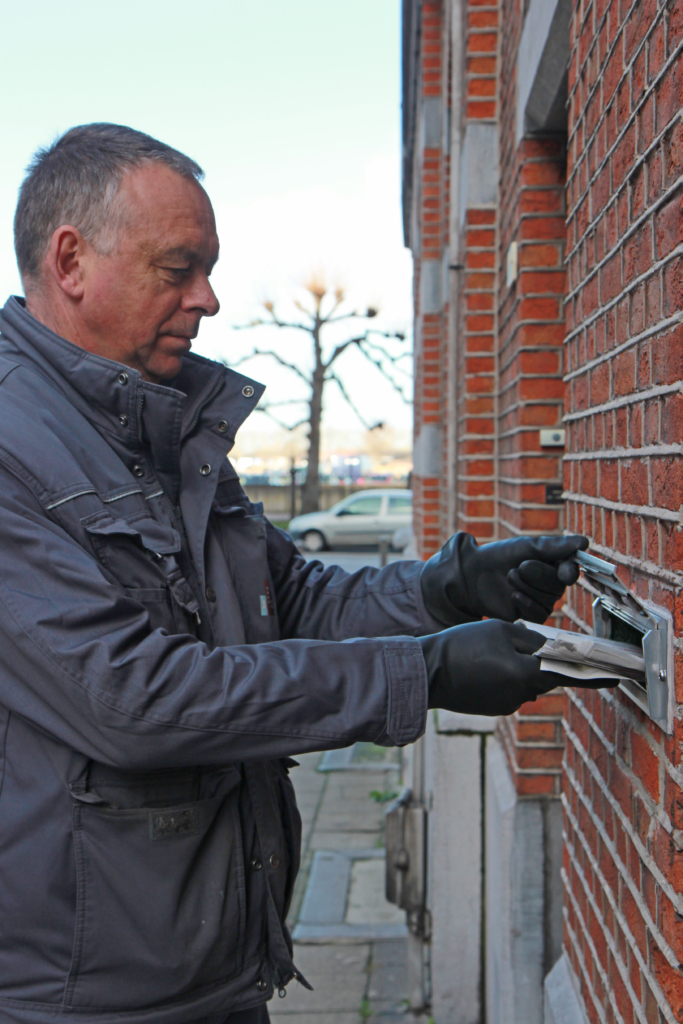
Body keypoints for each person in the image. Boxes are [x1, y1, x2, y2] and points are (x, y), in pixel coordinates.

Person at [0, 124, 600, 1024]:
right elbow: (131, 698)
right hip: (80, 995)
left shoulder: (159, 432)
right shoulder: (13, 449)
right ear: (71, 260)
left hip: (213, 966)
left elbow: (290, 596)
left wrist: (449, 589)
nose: (207, 298)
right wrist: (426, 672)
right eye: (179, 267)